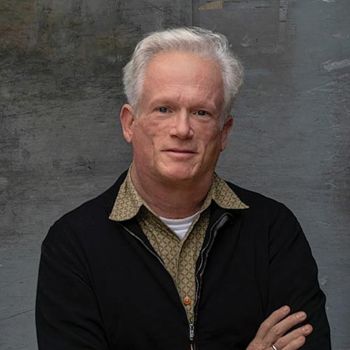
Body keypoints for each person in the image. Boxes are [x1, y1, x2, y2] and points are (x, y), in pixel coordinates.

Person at [36, 27, 331, 350]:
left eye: (201, 112)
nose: (182, 129)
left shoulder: (274, 230)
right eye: (164, 109)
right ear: (129, 123)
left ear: (224, 133)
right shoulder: (72, 245)